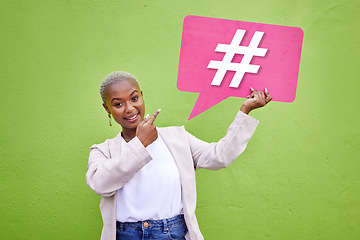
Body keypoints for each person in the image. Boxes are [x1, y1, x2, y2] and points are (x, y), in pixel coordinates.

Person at [86, 71, 272, 240]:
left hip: (171, 234)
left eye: (134, 98)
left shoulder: (177, 138)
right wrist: (140, 144)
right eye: (118, 104)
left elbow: (219, 156)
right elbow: (101, 184)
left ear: (142, 96)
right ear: (107, 109)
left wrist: (245, 111)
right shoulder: (102, 151)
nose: (129, 108)